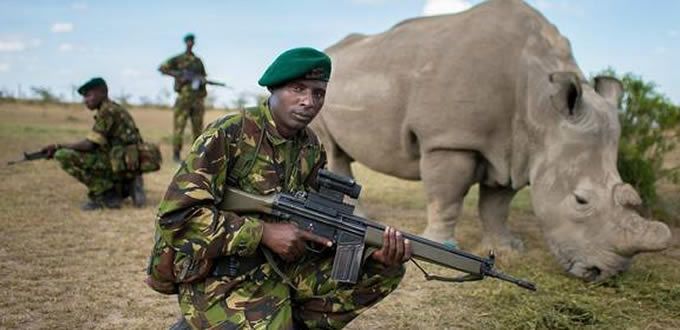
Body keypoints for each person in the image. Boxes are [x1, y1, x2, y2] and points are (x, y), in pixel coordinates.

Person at [154, 47, 411, 329]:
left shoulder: (311, 146)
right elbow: (176, 218)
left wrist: (369, 252)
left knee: (382, 271)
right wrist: (263, 233)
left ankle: (287, 319)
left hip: (281, 265)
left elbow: (315, 228)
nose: (308, 102)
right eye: (298, 89)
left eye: (318, 93)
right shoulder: (230, 132)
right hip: (221, 271)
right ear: (273, 89)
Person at [41, 77, 146, 210]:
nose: (85, 100)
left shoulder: (107, 111)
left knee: (63, 155)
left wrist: (58, 147)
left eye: (88, 95)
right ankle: (123, 186)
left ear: (103, 92)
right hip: (125, 162)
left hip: (121, 163)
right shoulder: (113, 108)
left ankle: (107, 195)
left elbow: (90, 145)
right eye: (84, 96)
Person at [159, 33, 209, 162]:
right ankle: (176, 155)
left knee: (198, 128)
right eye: (188, 41)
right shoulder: (178, 59)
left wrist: (202, 80)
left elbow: (203, 76)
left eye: (192, 41)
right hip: (183, 99)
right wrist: (179, 75)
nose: (190, 43)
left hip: (197, 99)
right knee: (179, 127)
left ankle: (196, 156)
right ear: (185, 42)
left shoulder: (198, 61)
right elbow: (162, 68)